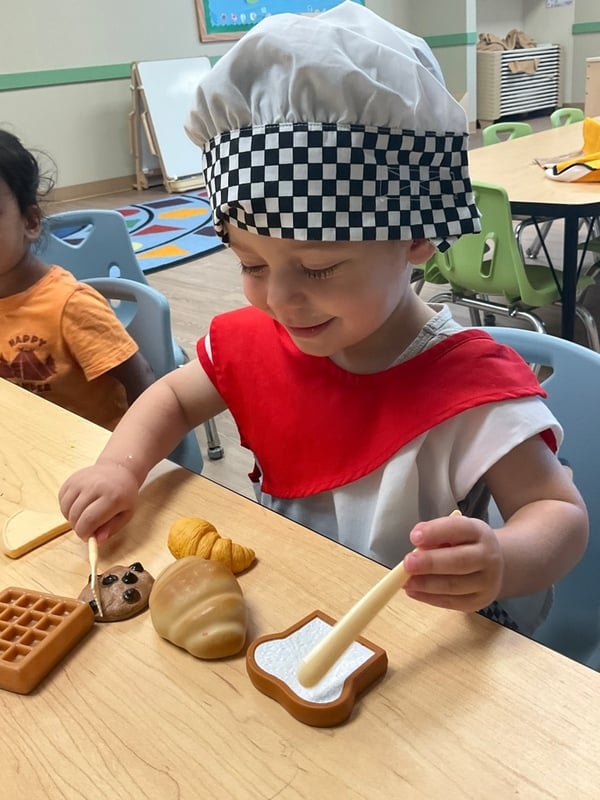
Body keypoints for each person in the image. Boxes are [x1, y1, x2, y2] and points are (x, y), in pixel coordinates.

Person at [58, 2, 588, 633]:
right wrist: (120, 467)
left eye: (317, 269)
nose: (280, 300)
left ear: (417, 237)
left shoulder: (472, 390)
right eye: (252, 265)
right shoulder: (259, 342)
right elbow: (172, 397)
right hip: (293, 607)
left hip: (422, 638)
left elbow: (557, 512)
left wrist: (504, 558)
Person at [0, 129, 154, 430]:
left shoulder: (69, 305)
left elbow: (143, 383)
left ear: (30, 222)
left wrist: (129, 459)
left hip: (92, 456)